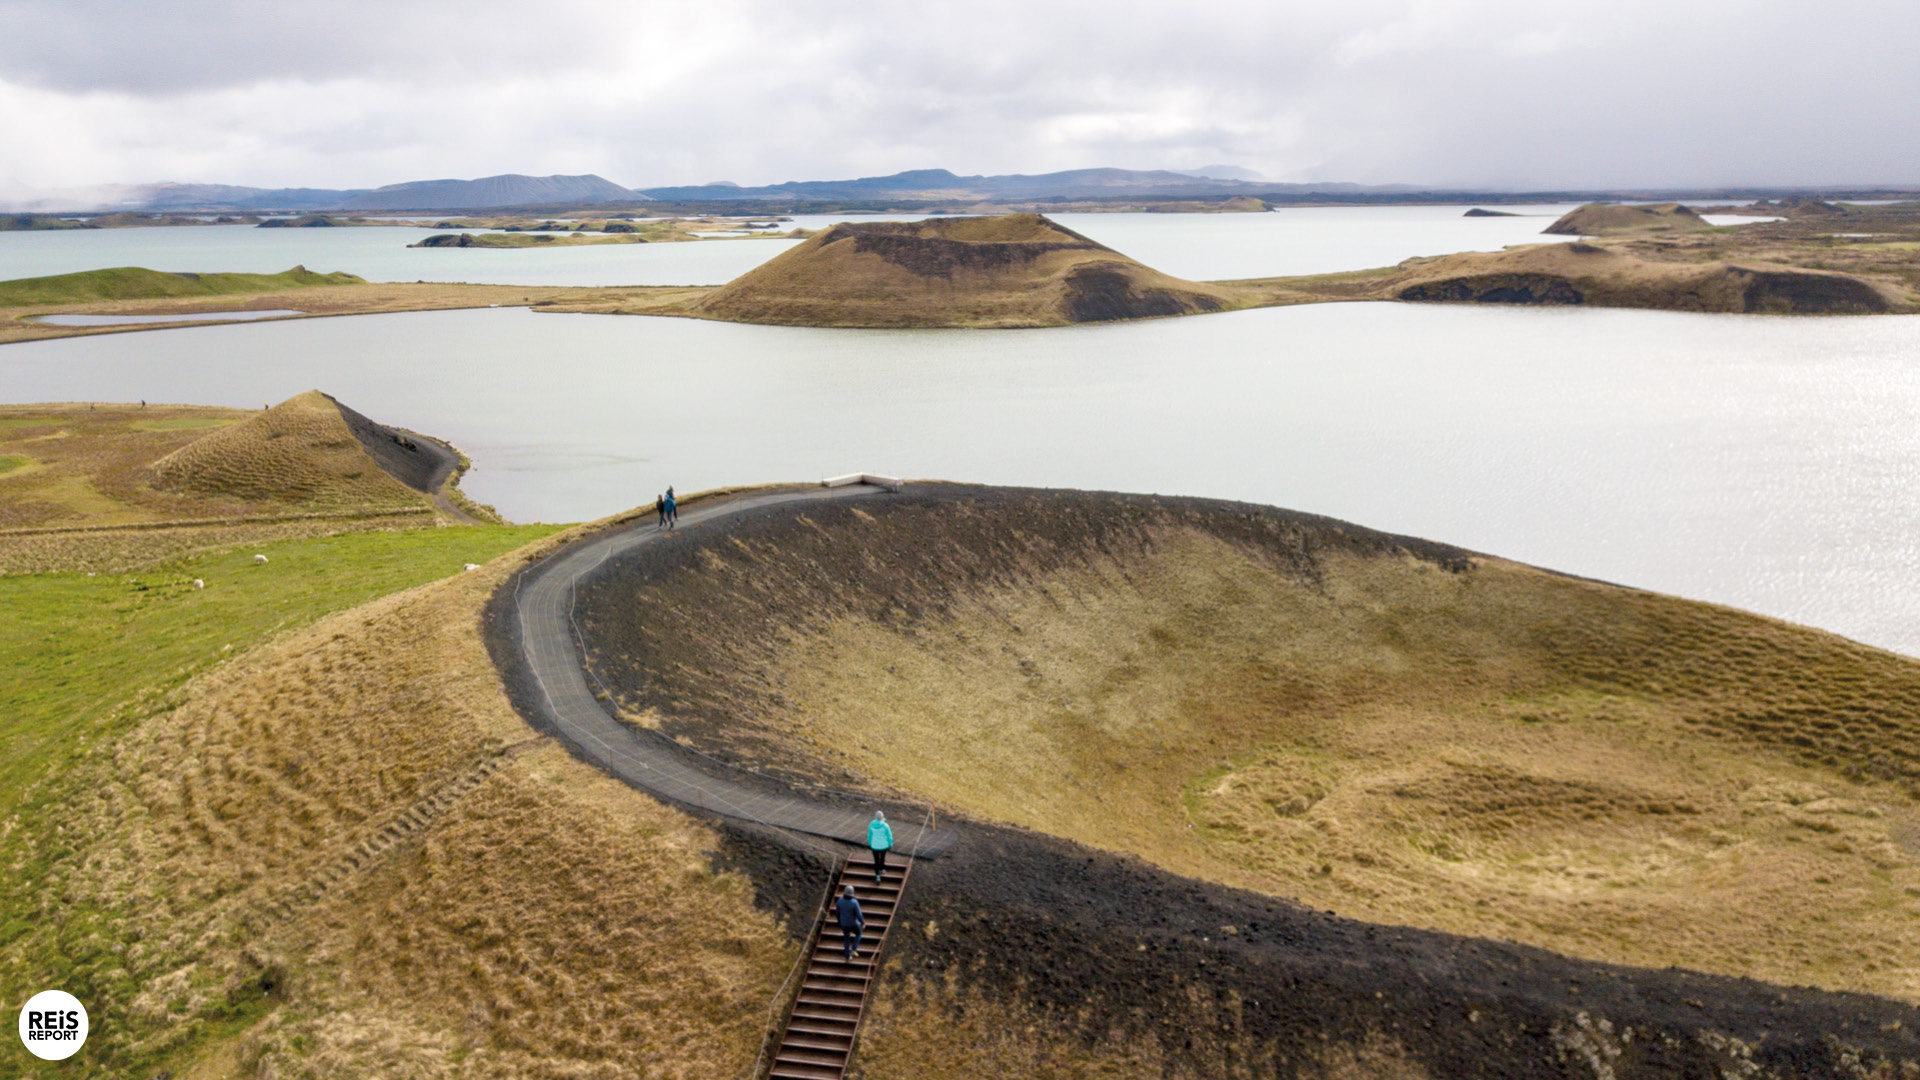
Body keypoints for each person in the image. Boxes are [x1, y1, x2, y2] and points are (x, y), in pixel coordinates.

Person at [834, 884, 865, 962]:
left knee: (846, 939)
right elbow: (859, 914)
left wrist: (839, 922)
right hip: (852, 923)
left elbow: (837, 913)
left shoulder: (839, 901)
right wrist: (862, 922)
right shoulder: (854, 902)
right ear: (852, 893)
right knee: (858, 933)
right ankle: (854, 949)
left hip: (844, 924)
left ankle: (847, 957)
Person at [868, 811, 894, 883]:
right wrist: (890, 844)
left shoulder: (871, 825)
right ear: (882, 817)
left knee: (876, 860)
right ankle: (881, 869)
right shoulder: (885, 825)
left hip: (874, 845)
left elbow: (869, 835)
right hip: (883, 845)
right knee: (882, 858)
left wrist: (869, 843)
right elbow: (889, 836)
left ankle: (877, 876)